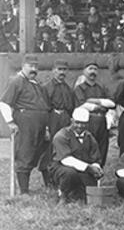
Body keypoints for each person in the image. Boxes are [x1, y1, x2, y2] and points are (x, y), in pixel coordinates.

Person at [0, 55, 50, 194]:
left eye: (36, 67)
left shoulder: (36, 83)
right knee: (25, 153)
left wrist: (45, 127)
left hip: (39, 124)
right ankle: (24, 190)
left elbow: (42, 106)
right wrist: (10, 122)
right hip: (25, 123)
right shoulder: (16, 81)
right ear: (23, 66)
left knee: (37, 153)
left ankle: (44, 184)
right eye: (31, 66)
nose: (34, 69)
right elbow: (4, 103)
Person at [49, 108, 103, 203]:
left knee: (89, 192)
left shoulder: (89, 137)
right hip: (61, 167)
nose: (80, 126)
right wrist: (88, 167)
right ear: (71, 121)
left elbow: (95, 157)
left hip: (83, 168)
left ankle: (76, 192)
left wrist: (96, 168)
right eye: (77, 122)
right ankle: (63, 193)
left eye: (83, 123)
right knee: (70, 173)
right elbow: (66, 159)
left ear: (88, 123)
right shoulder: (61, 136)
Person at [38, 59, 77, 187]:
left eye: (64, 70)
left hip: (65, 119)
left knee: (64, 146)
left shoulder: (68, 88)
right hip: (52, 118)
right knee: (49, 149)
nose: (62, 72)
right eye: (59, 69)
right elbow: (43, 108)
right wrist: (46, 128)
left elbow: (71, 107)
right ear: (53, 71)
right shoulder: (46, 87)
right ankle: (48, 181)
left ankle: (62, 178)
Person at [74, 60, 115, 166]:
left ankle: (98, 176)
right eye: (90, 69)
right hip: (88, 121)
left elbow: (111, 103)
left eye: (95, 69)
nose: (93, 72)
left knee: (101, 149)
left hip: (102, 121)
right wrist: (100, 106)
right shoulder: (79, 88)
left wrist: (94, 100)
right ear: (84, 71)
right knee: (87, 148)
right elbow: (82, 104)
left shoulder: (102, 88)